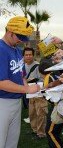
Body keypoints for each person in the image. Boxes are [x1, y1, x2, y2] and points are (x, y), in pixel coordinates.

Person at [0, 16, 40, 148]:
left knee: (12, 142)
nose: (21, 41)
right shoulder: (1, 49)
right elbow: (2, 82)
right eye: (19, 37)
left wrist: (29, 87)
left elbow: (21, 75)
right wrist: (27, 90)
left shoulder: (17, 50)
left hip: (16, 101)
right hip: (3, 102)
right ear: (10, 32)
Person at [23, 47, 48, 138]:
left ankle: (41, 133)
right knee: (32, 113)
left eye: (30, 54)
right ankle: (35, 130)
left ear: (33, 55)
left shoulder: (38, 65)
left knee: (40, 113)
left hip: (38, 93)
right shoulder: (22, 65)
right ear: (23, 56)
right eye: (26, 55)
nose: (28, 56)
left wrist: (32, 79)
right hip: (29, 93)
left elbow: (44, 78)